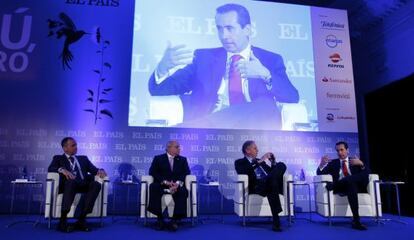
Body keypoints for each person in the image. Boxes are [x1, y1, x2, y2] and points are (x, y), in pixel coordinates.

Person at [148, 3, 299, 130]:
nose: (223, 35)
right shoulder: (204, 58)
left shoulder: (270, 59)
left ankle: (194, 127)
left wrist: (265, 75)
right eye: (219, 28)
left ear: (247, 29)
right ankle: (205, 125)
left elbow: (292, 96)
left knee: (265, 106)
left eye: (229, 28)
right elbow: (159, 90)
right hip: (211, 131)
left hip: (253, 131)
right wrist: (162, 68)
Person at [48, 137, 107, 233]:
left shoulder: (83, 158)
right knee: (71, 182)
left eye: (76, 145)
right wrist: (62, 170)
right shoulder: (58, 158)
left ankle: (81, 219)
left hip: (83, 184)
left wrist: (101, 170)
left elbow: (95, 170)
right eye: (73, 145)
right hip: (69, 186)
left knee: (96, 185)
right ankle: (62, 221)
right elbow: (51, 168)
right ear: (65, 148)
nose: (76, 147)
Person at [234, 140, 287, 232]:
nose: (257, 150)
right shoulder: (240, 162)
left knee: (281, 165)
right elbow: (243, 171)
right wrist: (260, 161)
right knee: (272, 181)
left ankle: (276, 219)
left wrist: (273, 162)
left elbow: (271, 172)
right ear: (247, 150)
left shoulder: (260, 161)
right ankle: (276, 219)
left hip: (268, 183)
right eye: (255, 148)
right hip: (256, 186)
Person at [317, 141, 369, 230]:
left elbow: (366, 173)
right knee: (349, 182)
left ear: (347, 150)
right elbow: (319, 173)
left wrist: (361, 164)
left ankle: (356, 220)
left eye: (342, 150)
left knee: (351, 182)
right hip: (340, 188)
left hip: (353, 187)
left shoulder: (355, 161)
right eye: (337, 151)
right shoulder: (333, 163)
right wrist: (321, 164)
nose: (339, 153)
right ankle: (356, 221)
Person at [147, 140, 190, 231]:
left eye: (179, 147)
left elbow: (186, 173)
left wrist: (177, 184)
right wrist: (165, 182)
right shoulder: (158, 158)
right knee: (153, 187)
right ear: (169, 148)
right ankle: (160, 219)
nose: (179, 149)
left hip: (176, 185)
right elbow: (152, 172)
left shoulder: (182, 160)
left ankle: (174, 220)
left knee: (183, 191)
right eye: (177, 147)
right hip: (162, 184)